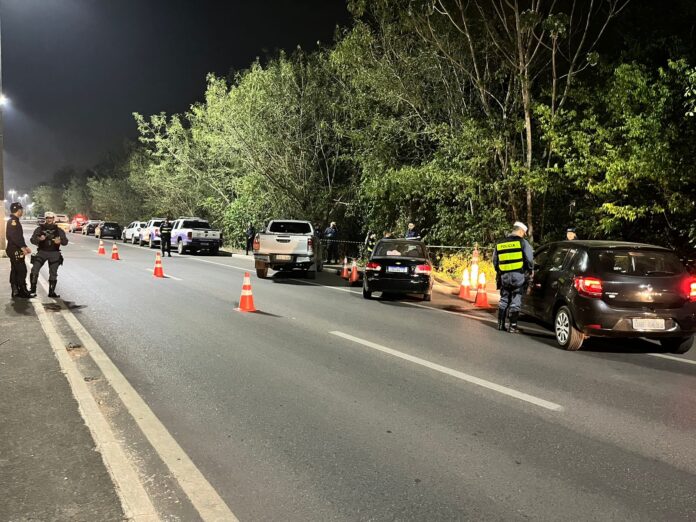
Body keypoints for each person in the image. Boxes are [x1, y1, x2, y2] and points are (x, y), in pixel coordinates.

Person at [493, 221, 533, 333]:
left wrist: (500, 271)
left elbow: (495, 260)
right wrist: (530, 270)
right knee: (516, 300)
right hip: (518, 276)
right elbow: (530, 259)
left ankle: (500, 325)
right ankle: (512, 327)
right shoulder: (523, 243)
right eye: (524, 233)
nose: (524, 235)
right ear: (520, 231)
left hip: (504, 276)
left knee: (504, 299)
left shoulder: (500, 243)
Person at [30, 212, 69, 298]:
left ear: (53, 219)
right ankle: (32, 290)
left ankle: (51, 292)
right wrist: (39, 239)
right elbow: (32, 240)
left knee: (53, 273)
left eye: (51, 218)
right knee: (34, 269)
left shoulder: (59, 230)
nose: (49, 219)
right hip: (42, 252)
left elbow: (65, 242)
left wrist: (60, 241)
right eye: (47, 218)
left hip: (54, 253)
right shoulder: (39, 229)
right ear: (45, 219)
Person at [5, 202, 33, 298]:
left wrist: (25, 246)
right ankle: (22, 291)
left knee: (15, 270)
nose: (22, 211)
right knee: (22, 270)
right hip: (15, 249)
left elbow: (19, 237)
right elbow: (14, 237)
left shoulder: (14, 221)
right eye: (21, 210)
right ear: (18, 210)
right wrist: (22, 248)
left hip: (14, 249)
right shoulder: (13, 221)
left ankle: (15, 291)